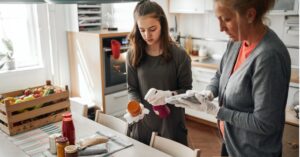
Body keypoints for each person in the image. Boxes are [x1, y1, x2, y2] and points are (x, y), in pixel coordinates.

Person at [169, 0, 291, 156]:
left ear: (250, 15)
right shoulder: (236, 42)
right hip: (231, 143)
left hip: (253, 151)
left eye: (226, 19)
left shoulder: (269, 56)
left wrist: (218, 111)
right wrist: (209, 93)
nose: (221, 28)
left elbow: (265, 123)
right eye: (218, 19)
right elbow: (220, 75)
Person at [125, 0, 192, 145]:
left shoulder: (180, 55)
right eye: (142, 30)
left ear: (162, 25)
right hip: (143, 127)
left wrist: (169, 95)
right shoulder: (132, 54)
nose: (147, 35)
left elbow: (187, 92)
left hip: (171, 128)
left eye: (152, 29)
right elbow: (132, 88)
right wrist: (135, 103)